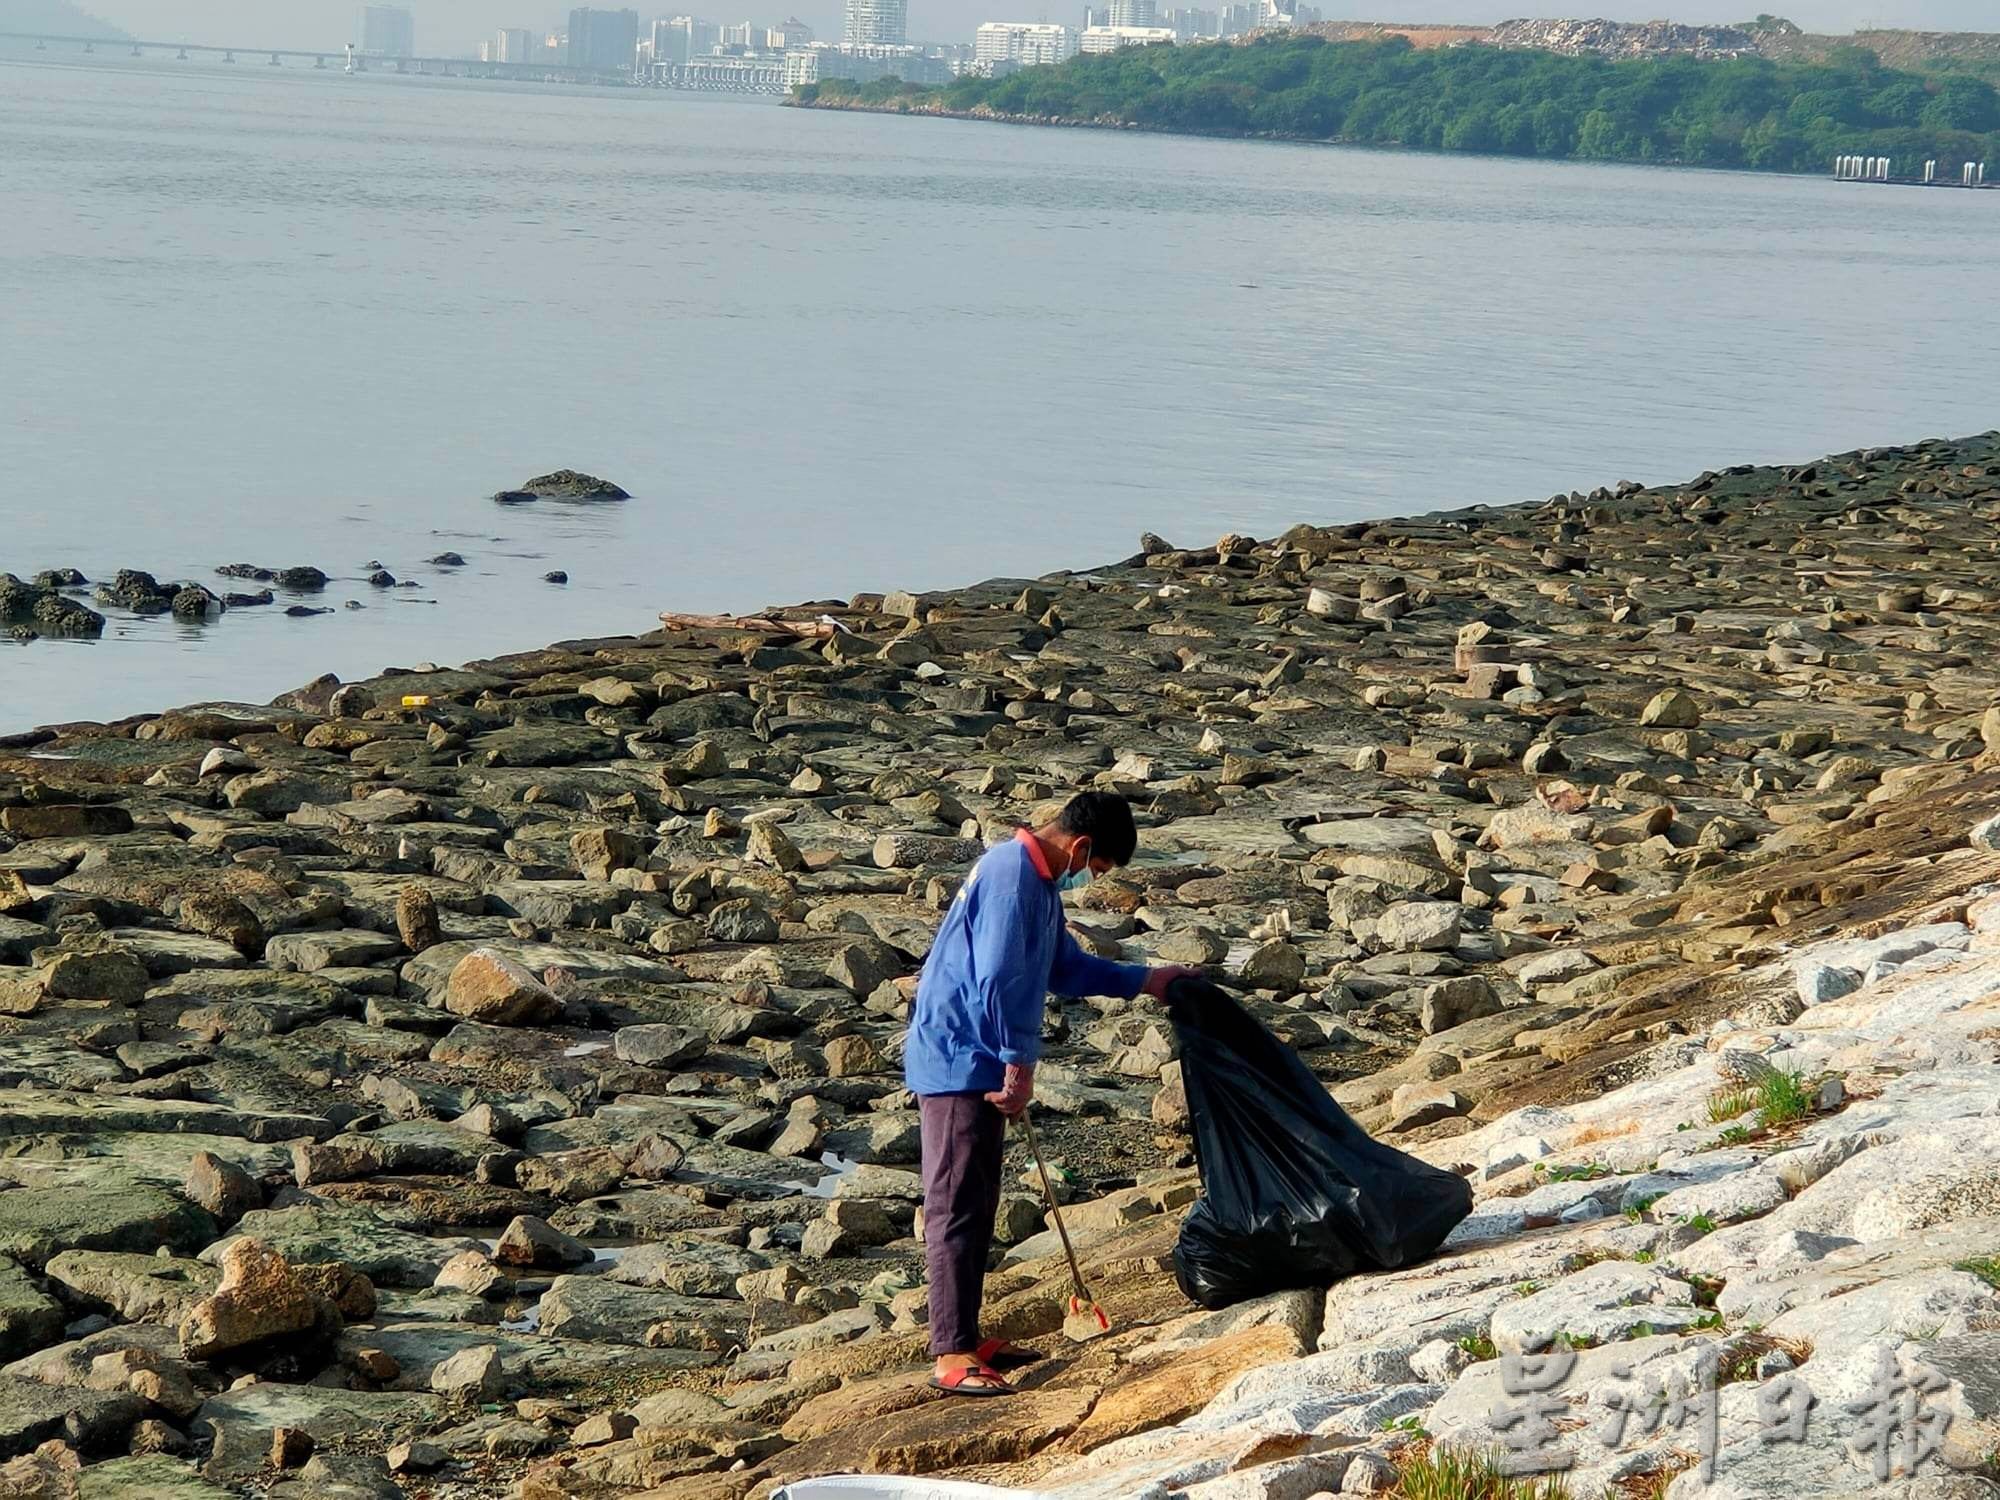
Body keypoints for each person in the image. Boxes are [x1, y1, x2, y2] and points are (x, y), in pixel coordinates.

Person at [903, 791, 1198, 1397]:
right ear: (1081, 847)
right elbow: (1000, 978)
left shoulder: (1032, 881)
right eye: (1096, 869)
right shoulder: (1013, 875)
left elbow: (1062, 967)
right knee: (955, 1202)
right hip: (961, 1057)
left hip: (978, 1055)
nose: (1089, 880)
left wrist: (1147, 980)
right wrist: (1019, 1063)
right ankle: (950, 1354)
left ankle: (964, 1331)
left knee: (978, 1199)